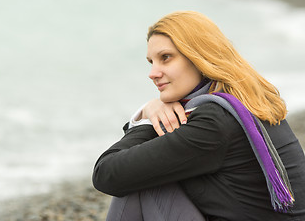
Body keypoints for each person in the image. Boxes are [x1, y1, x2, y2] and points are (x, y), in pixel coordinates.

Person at [92, 11, 305, 220]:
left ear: (199, 57)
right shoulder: (245, 101)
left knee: (137, 184)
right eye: (151, 62)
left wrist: (146, 119)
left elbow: (107, 174)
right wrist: (153, 109)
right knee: (143, 176)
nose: (153, 73)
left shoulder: (215, 121)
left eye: (166, 58)